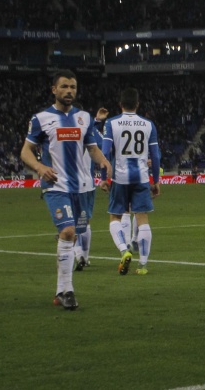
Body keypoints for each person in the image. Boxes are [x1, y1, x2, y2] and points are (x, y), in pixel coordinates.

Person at [20, 69, 112, 311]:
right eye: (64, 86)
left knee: (74, 235)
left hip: (83, 187)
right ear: (54, 90)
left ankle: (60, 291)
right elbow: (25, 151)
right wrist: (40, 167)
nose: (69, 91)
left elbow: (92, 148)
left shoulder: (84, 118)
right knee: (69, 231)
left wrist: (103, 161)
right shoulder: (41, 119)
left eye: (72, 87)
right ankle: (67, 290)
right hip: (56, 186)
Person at [100, 88, 161, 276]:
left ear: (120, 104)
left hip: (120, 177)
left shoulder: (111, 123)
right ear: (137, 104)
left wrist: (103, 178)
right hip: (141, 178)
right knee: (142, 219)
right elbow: (155, 156)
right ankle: (142, 265)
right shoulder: (148, 124)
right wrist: (156, 181)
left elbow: (105, 152)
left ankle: (124, 250)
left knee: (115, 217)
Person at [74, 106, 109, 272]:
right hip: (88, 183)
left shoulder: (63, 130)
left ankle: (78, 254)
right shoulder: (90, 131)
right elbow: (102, 146)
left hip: (71, 183)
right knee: (85, 221)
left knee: (70, 223)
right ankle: (85, 257)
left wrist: (96, 121)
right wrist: (96, 122)